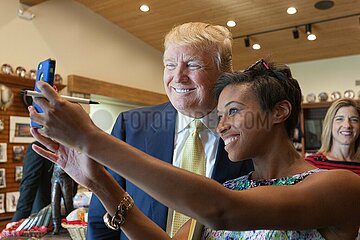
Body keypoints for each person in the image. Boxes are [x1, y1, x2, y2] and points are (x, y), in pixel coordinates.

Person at [28, 59, 360, 239]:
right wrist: (99, 181)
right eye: (219, 115)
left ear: (279, 111)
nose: (221, 126)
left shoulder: (338, 187)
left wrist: (92, 138)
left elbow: (223, 211)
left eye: (232, 111)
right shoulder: (230, 187)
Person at [90, 22, 253, 239]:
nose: (178, 77)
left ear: (224, 74)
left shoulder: (249, 132)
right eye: (170, 65)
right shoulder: (130, 127)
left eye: (193, 65)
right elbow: (101, 216)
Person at [305, 98, 360, 175]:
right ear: (330, 125)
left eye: (354, 120)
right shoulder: (311, 164)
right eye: (339, 119)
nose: (347, 125)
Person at [11, 141, 53, 222]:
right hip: (62, 213)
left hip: (41, 214)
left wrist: (16, 222)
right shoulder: (70, 146)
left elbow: (29, 185)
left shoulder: (37, 147)